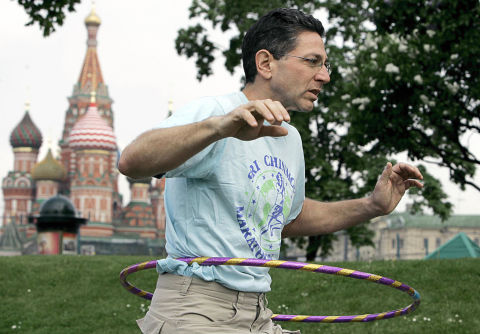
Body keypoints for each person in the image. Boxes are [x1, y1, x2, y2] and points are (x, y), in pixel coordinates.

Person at [118, 8, 423, 334]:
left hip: (257, 312)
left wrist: (372, 206)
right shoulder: (217, 112)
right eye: (312, 61)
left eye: (325, 64)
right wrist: (221, 128)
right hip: (196, 309)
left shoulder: (288, 136)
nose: (325, 76)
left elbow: (285, 219)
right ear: (265, 63)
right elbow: (131, 162)